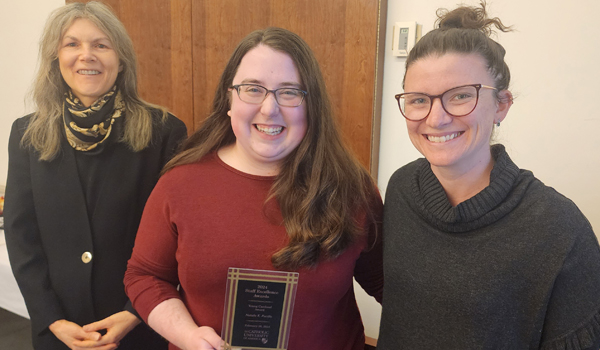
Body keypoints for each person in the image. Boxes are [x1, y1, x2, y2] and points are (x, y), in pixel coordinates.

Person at [123, 27, 383, 350]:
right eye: (252, 89)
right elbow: (145, 277)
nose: (269, 109)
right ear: (229, 99)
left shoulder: (352, 190)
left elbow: (391, 286)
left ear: (311, 105)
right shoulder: (179, 184)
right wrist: (187, 336)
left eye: (289, 92)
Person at [376, 2, 600, 349]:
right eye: (419, 100)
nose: (436, 119)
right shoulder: (401, 188)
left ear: (501, 104)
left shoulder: (559, 227)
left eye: (461, 96)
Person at [4, 2, 187, 349]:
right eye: (72, 44)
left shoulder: (164, 132)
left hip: (140, 325)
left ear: (121, 60)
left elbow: (177, 235)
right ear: (55, 58)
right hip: (60, 330)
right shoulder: (26, 134)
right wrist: (52, 320)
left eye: (101, 45)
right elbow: (20, 235)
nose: (86, 55)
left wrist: (137, 311)